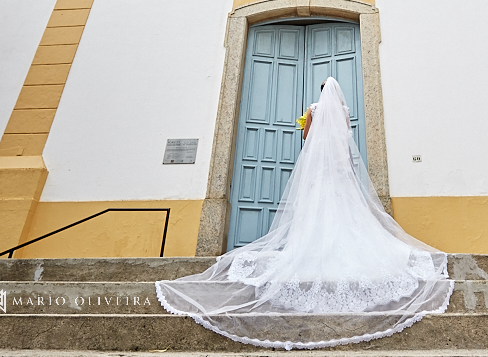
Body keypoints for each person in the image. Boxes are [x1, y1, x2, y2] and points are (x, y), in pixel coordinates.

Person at [156, 77, 452, 350]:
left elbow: (307, 138)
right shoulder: (345, 111)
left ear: (321, 93)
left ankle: (314, 248)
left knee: (315, 208)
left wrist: (308, 124)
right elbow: (347, 139)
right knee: (345, 210)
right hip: (338, 171)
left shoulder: (312, 109)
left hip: (318, 171)